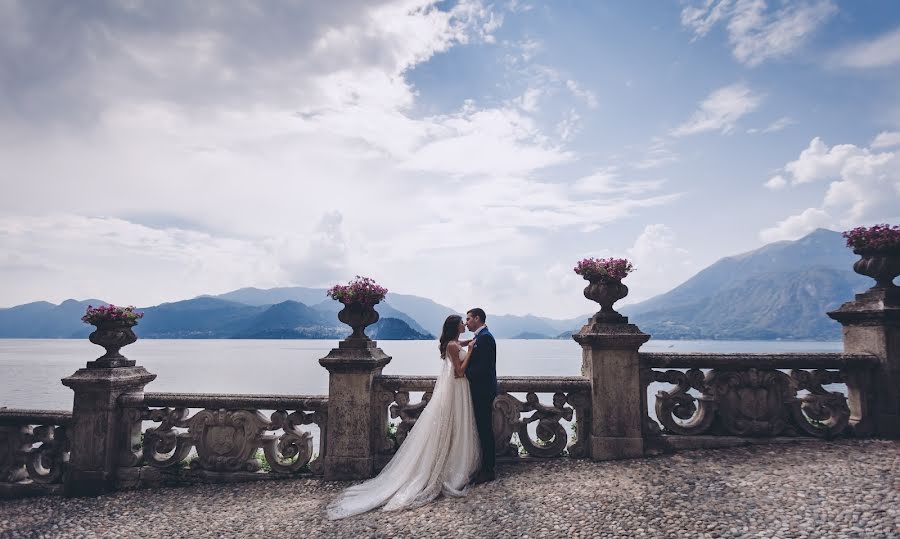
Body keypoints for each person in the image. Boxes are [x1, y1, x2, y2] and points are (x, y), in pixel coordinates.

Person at [326, 315, 481, 519]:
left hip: (456, 390)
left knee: (455, 426)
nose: (464, 324)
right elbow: (459, 372)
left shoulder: (452, 343)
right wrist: (470, 352)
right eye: (462, 322)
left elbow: (457, 344)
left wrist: (469, 342)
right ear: (455, 327)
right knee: (454, 425)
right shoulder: (452, 346)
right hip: (458, 387)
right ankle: (452, 467)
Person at [460, 307, 497, 484]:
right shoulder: (479, 337)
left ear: (477, 318)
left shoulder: (486, 338)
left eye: (468, 319)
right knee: (481, 428)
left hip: (482, 391)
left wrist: (462, 373)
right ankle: (483, 465)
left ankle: (489, 469)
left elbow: (483, 368)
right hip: (480, 390)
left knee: (485, 429)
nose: (466, 322)